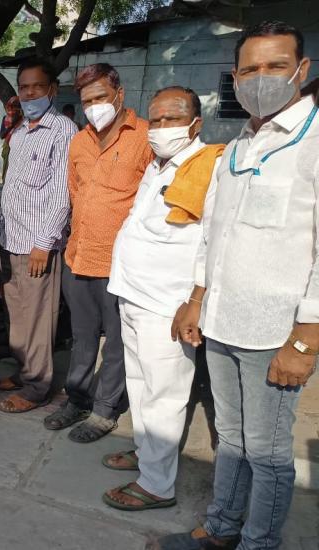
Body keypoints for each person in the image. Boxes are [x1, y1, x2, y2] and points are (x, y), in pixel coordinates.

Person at [158, 21, 316, 550]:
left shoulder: (312, 144)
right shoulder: (240, 146)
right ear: (235, 77)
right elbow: (213, 235)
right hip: (222, 321)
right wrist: (196, 300)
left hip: (275, 331)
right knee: (230, 439)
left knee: (268, 453)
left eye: (275, 66)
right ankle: (222, 530)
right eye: (250, 69)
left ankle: (257, 543)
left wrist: (306, 340)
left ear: (302, 70)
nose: (261, 78)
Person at [101, 86, 224, 511]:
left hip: (167, 303)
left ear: (195, 123)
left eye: (172, 119)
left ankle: (157, 485)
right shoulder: (158, 164)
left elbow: (213, 240)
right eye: (155, 120)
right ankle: (145, 452)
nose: (161, 128)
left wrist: (194, 300)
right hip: (132, 292)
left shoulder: (209, 166)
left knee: (165, 393)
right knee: (140, 386)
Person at [44, 63, 154, 443]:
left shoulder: (145, 138)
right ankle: (76, 398)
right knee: (82, 335)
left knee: (119, 342)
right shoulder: (79, 141)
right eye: (87, 100)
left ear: (119, 95)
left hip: (121, 263)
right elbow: (75, 193)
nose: (93, 107)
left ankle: (105, 410)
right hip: (79, 256)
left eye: (100, 98)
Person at [0, 57, 77, 414]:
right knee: (18, 316)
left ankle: (38, 387)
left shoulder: (63, 131)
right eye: (23, 87)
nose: (29, 93)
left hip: (37, 245)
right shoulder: (21, 132)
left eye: (37, 86)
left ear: (52, 90)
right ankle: (25, 372)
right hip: (12, 240)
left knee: (38, 318)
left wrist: (45, 243)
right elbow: (10, 189)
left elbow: (61, 193)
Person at [0, 95, 23, 181]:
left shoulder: (25, 119)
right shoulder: (5, 118)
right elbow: (2, 135)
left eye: (16, 106)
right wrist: (12, 124)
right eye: (11, 106)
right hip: (7, 146)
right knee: (6, 171)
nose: (13, 109)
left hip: (20, 147)